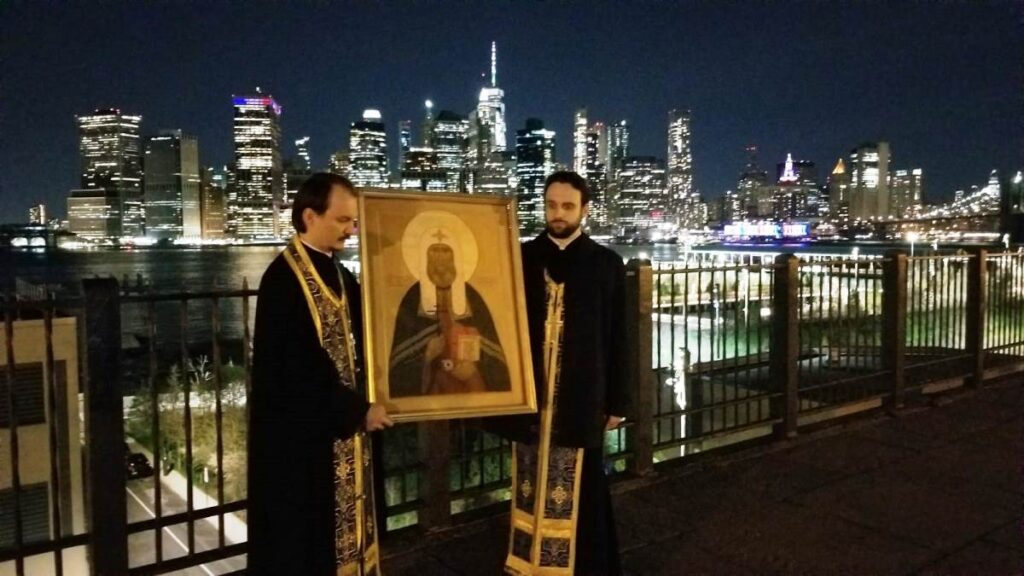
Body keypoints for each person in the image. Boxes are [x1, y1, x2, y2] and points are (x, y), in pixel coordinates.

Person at [248, 172, 394, 575]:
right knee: (310, 544)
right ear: (310, 216)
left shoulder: (341, 275)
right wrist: (356, 411)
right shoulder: (282, 281)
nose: (351, 230)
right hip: (307, 444)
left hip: (348, 433)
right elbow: (297, 371)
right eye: (343, 220)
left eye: (353, 221)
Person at [496, 171, 631, 575]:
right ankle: (529, 564)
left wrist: (618, 401)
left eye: (568, 206)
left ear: (584, 210)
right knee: (528, 483)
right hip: (530, 399)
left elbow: (618, 336)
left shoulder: (605, 264)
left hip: (581, 399)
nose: (558, 214)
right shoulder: (521, 258)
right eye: (552, 205)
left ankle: (580, 567)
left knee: (584, 489)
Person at [388, 214, 511, 398]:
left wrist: (472, 370)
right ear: (424, 254)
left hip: (470, 391)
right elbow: (400, 362)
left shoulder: (472, 296)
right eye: (434, 250)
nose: (440, 257)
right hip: (430, 398)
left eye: (445, 251)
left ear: (456, 255)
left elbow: (493, 354)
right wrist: (427, 355)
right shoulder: (413, 297)